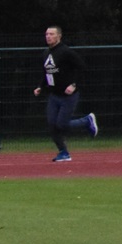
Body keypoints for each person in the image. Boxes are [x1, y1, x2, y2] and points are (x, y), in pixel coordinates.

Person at [33, 25, 98, 162]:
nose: (48, 36)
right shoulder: (46, 53)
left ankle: (86, 121)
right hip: (54, 95)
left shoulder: (66, 52)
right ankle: (63, 152)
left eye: (51, 34)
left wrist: (74, 85)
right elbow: (46, 73)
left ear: (59, 36)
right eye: (47, 34)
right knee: (52, 125)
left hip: (68, 96)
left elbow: (82, 68)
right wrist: (40, 86)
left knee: (61, 124)